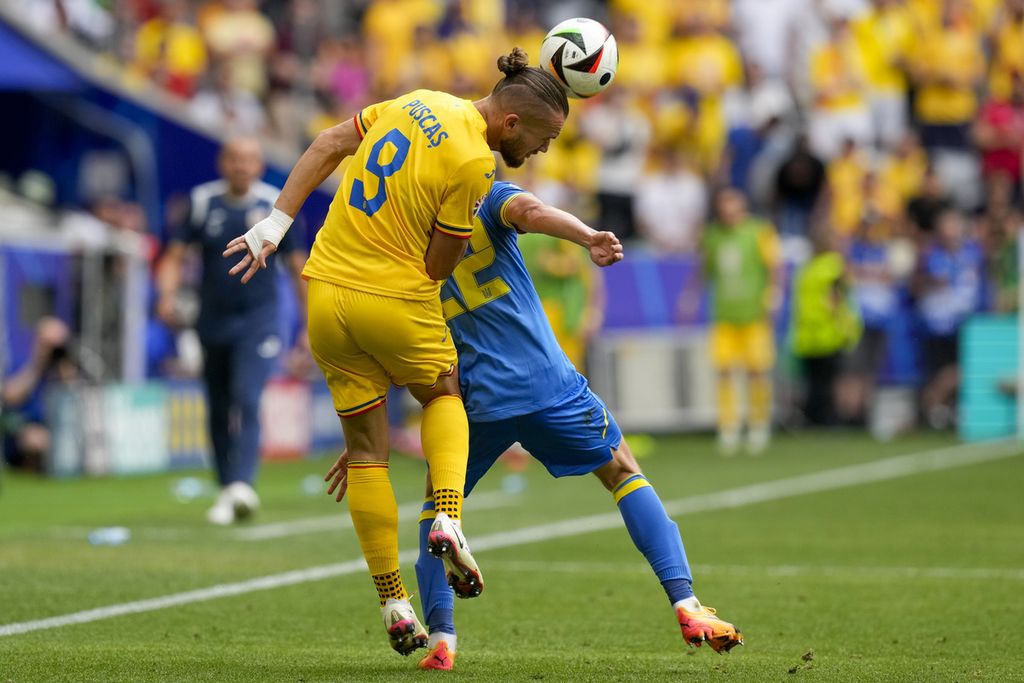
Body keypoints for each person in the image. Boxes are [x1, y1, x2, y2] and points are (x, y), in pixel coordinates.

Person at [224, 48, 569, 656]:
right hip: (394, 296)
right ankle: (447, 514)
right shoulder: (473, 163)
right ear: (513, 123)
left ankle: (392, 601)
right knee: (443, 391)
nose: (544, 150)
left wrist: (275, 225)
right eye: (546, 136)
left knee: (364, 454)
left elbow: (330, 141)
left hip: (326, 295)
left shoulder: (418, 100)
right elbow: (439, 265)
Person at [325, 182, 743, 672]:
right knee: (622, 470)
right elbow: (531, 209)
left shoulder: (407, 248)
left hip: (474, 401)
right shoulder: (487, 198)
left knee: (437, 505)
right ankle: (687, 605)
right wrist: (588, 236)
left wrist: (365, 434)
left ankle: (442, 639)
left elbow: (403, 346)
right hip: (548, 385)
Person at [156, 137, 308, 525]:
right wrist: (167, 294)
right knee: (219, 404)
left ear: (259, 165)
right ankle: (227, 488)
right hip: (212, 320)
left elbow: (297, 268)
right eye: (235, 159)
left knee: (247, 395)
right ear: (223, 163)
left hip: (259, 319)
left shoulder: (278, 206)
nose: (242, 166)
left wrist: (309, 324)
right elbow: (173, 256)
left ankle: (242, 484)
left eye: (250, 160)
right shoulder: (202, 203)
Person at [700, 187, 782, 455]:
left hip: (753, 313)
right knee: (724, 371)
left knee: (756, 371)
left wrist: (773, 296)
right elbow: (706, 268)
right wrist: (691, 296)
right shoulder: (713, 235)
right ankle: (729, 427)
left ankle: (758, 424)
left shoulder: (759, 231)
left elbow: (774, 267)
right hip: (724, 313)